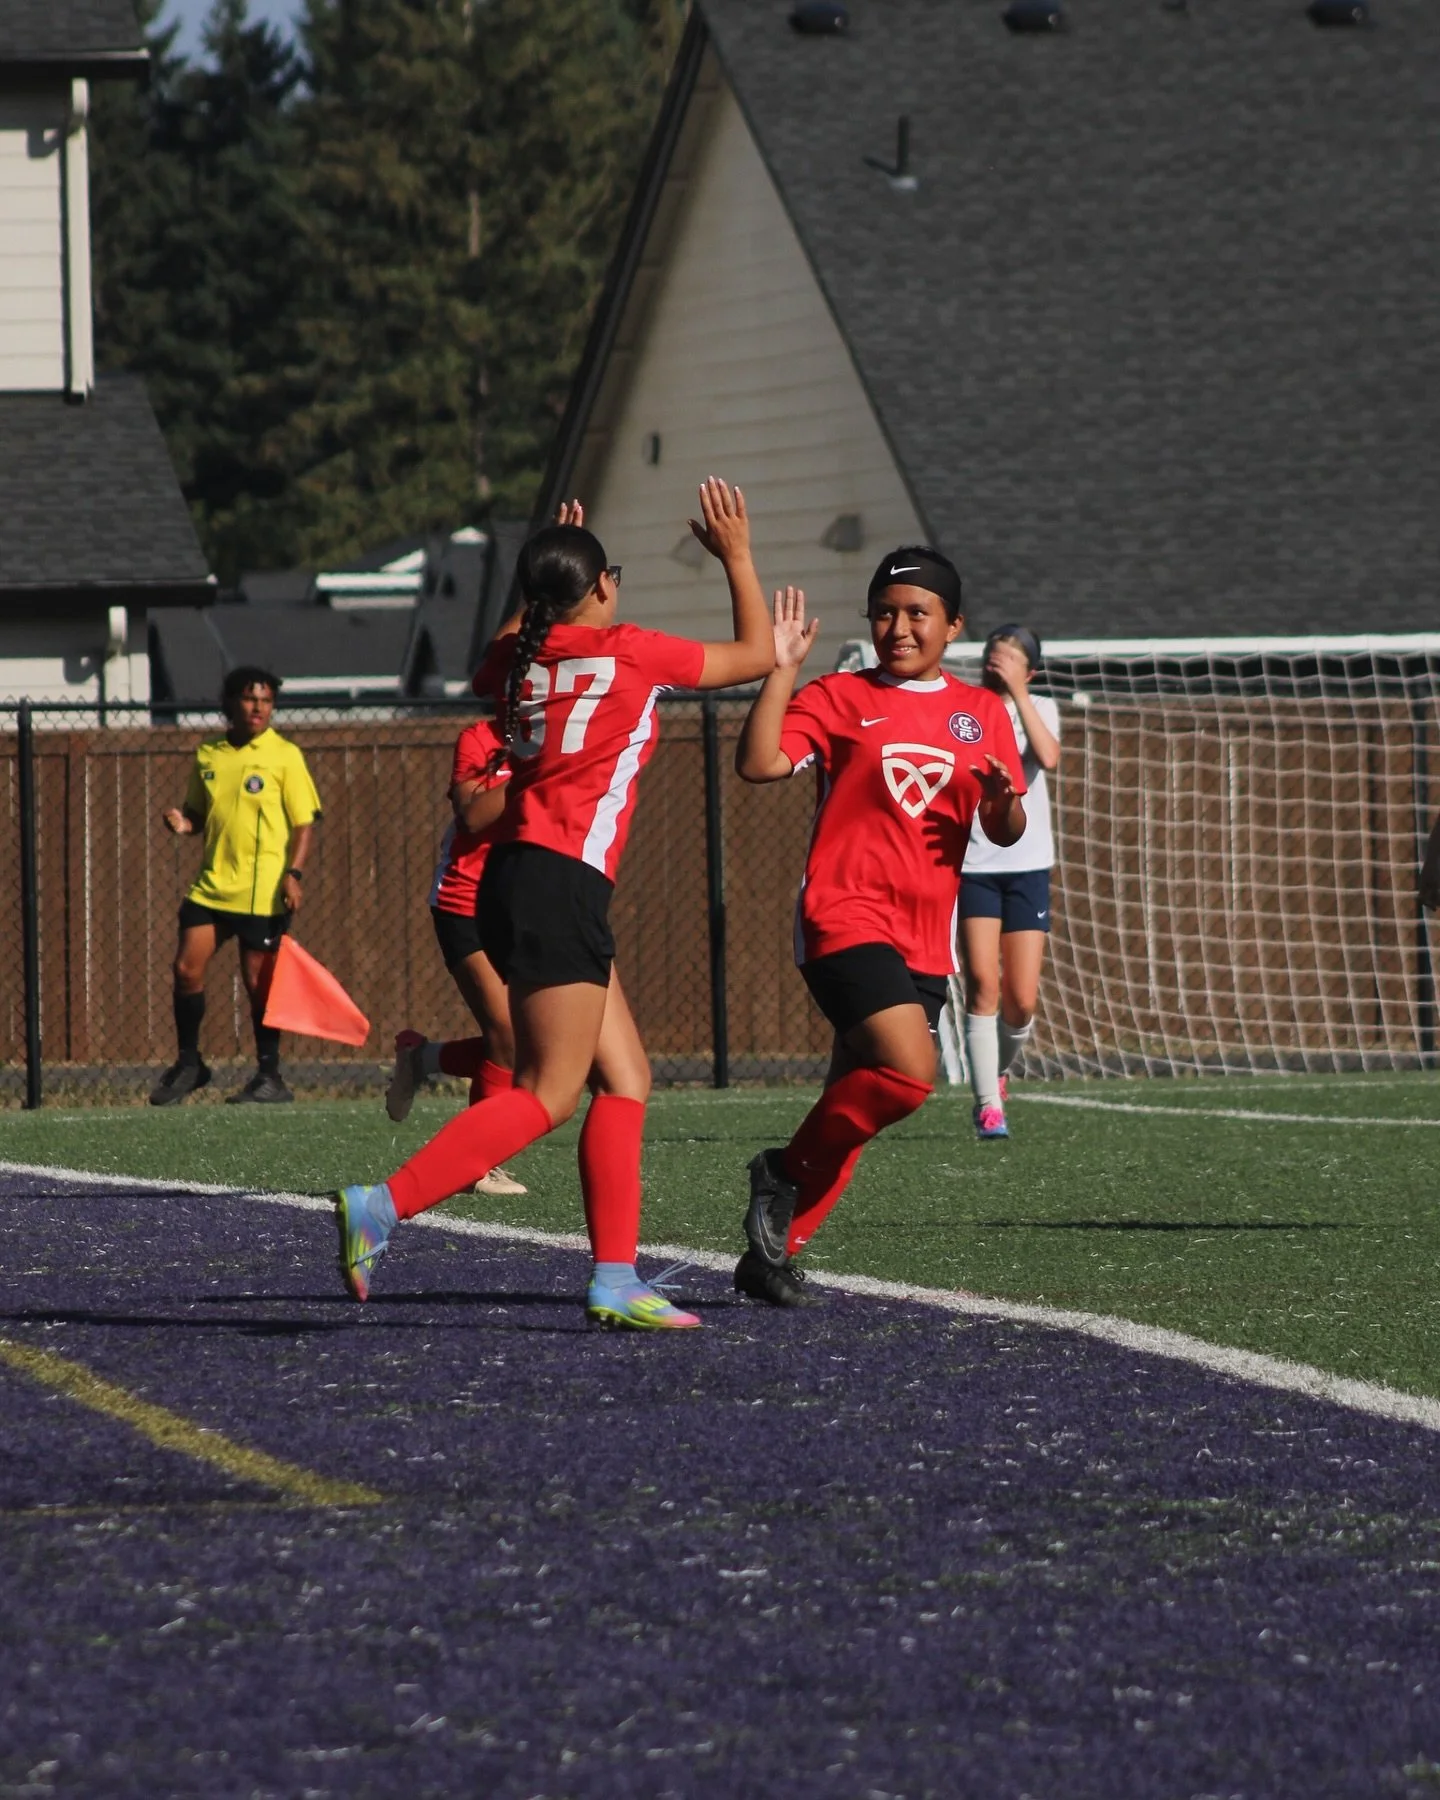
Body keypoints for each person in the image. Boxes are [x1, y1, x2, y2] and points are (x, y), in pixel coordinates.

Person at [334, 478, 774, 1329]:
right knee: (546, 1093)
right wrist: (738, 557)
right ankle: (382, 1205)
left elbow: (492, 656)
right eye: (611, 574)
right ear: (603, 584)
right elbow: (756, 654)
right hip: (559, 879)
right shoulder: (634, 651)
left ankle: (615, 1277)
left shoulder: (517, 661)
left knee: (626, 1078)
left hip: (516, 876)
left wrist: (539, 577)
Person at [732, 552, 1027, 1307]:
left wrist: (1002, 798)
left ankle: (772, 1257)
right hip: (844, 913)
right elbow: (761, 763)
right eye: (885, 611)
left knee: (855, 1103)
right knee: (907, 1073)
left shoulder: (984, 712)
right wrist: (781, 669)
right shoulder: (838, 696)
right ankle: (780, 1173)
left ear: (953, 626)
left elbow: (1002, 825)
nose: (898, 627)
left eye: (918, 612)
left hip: (924, 935)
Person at [150, 666, 321, 1106]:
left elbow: (304, 824)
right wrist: (182, 823)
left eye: (266, 700)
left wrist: (294, 874)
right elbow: (198, 815)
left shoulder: (284, 756)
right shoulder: (208, 754)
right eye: (249, 699)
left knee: (259, 984)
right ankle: (190, 1063)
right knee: (186, 969)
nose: (259, 707)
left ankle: (270, 1076)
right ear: (230, 703)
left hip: (261, 892)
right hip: (212, 887)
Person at [383, 710, 527, 1197]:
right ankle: (475, 1164)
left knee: (533, 1046)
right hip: (463, 901)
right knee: (505, 1032)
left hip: (525, 903)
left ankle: (422, 1058)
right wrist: (538, 771)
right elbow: (471, 813)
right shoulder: (480, 738)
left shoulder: (563, 732)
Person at [957, 625, 1061, 1140]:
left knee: (1021, 999)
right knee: (983, 984)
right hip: (975, 865)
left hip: (1027, 867)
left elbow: (1048, 757)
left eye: (1009, 662)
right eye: (992, 660)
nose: (996, 668)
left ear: (1030, 670)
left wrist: (1019, 694)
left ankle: (996, 1070)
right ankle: (987, 1106)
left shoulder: (1039, 706)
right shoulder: (967, 710)